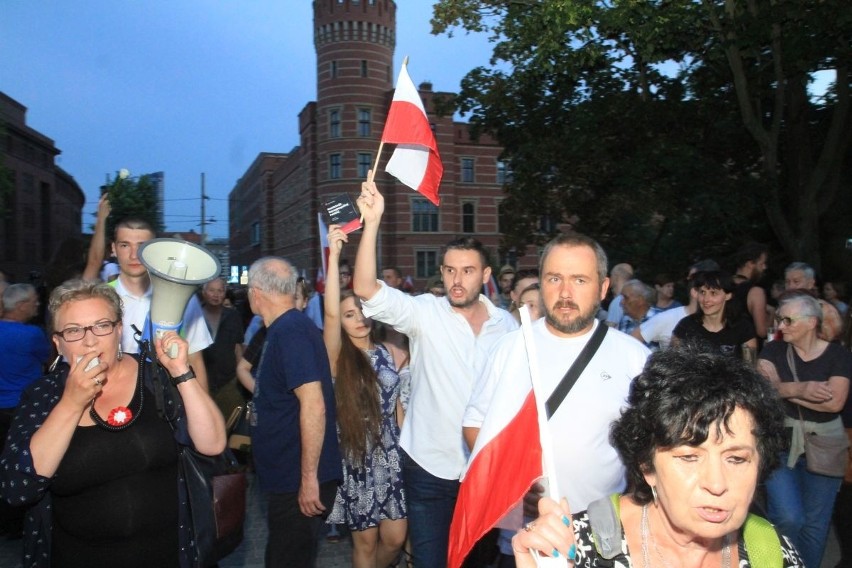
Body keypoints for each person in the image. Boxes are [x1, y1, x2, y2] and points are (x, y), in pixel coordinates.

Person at [0, 280, 226, 567]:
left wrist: (181, 371)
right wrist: (70, 403)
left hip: (172, 555)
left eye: (102, 325)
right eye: (73, 331)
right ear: (57, 343)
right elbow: (18, 488)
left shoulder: (154, 377)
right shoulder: (42, 396)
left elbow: (213, 444)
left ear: (119, 330)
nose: (90, 340)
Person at [512, 347, 803, 568]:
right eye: (689, 457)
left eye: (736, 459)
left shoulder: (774, 554)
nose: (717, 484)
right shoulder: (575, 550)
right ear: (647, 466)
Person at [354, 176, 517, 566]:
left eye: (467, 271)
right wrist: (372, 222)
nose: (456, 280)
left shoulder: (507, 326)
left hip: (483, 468)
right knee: (432, 562)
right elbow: (364, 288)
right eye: (449, 271)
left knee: (478, 562)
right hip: (429, 466)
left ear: (486, 275)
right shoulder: (425, 312)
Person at [461, 233, 650, 567]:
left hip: (608, 538)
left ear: (603, 288)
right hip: (527, 540)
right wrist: (516, 487)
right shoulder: (511, 349)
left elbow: (655, 449)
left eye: (579, 280)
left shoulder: (634, 358)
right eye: (554, 279)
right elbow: (476, 425)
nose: (565, 293)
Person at [246, 257, 341, 567]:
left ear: (256, 293)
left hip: (297, 481)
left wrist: (309, 479)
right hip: (288, 478)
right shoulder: (285, 328)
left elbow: (314, 405)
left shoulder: (291, 331)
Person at [322, 225, 407, 568]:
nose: (358, 319)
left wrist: (407, 450)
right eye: (349, 315)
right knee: (366, 543)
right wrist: (335, 256)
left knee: (396, 539)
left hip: (393, 455)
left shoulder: (389, 351)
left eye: (361, 312)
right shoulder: (337, 356)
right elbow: (329, 311)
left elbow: (398, 406)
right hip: (357, 457)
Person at [757, 292, 852, 568]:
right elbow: (762, 390)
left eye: (788, 320)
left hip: (825, 446)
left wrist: (782, 391)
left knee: (814, 525)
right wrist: (804, 389)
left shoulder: (838, 355)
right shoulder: (773, 350)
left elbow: (834, 402)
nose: (781, 326)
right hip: (780, 442)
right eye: (779, 319)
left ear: (811, 322)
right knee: (788, 516)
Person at [109, 217, 213, 390]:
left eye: (142, 246)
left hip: (168, 400)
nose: (134, 255)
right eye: (125, 245)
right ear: (113, 249)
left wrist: (203, 413)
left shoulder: (185, 298)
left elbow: (195, 360)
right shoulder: (100, 299)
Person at [0, 283, 51, 538]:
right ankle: (17, 524)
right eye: (33, 301)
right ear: (20, 306)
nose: (37, 304)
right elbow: (48, 358)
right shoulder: (32, 335)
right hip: (23, 411)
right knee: (23, 466)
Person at [673, 271, 757, 359]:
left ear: (728, 295)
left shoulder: (743, 328)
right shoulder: (686, 326)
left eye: (713, 293)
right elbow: (675, 365)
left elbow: (750, 367)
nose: (706, 300)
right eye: (702, 292)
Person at [201, 278, 247, 417]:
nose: (216, 294)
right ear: (204, 292)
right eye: (212, 290)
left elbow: (238, 347)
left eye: (220, 291)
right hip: (202, 381)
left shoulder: (233, 316)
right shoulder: (195, 315)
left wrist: (240, 377)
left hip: (228, 382)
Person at [785, 262, 843, 341]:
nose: (791, 287)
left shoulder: (826, 310)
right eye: (787, 282)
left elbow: (830, 344)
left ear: (810, 284)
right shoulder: (783, 309)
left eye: (796, 282)